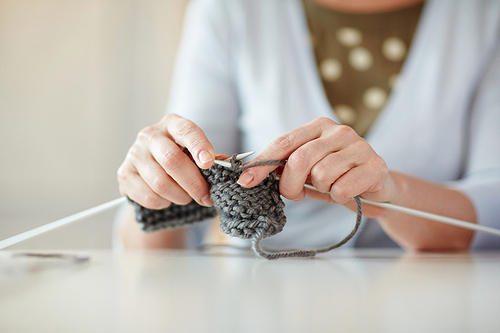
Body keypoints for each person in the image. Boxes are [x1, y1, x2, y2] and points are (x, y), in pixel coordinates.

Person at [116, 0, 500, 251]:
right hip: (259, 304)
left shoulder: (485, 15)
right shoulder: (231, 9)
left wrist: (393, 194)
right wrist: (154, 189)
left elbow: (493, 207)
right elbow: (163, 241)